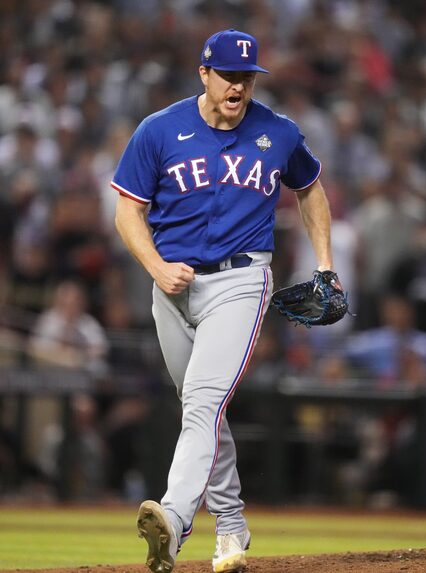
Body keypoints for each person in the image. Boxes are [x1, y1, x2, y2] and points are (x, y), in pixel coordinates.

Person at [112, 29, 335, 573]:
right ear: (204, 74)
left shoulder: (277, 133)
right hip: (172, 286)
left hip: (241, 281)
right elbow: (127, 211)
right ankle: (232, 527)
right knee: (201, 410)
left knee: (205, 402)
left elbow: (310, 189)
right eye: (229, 75)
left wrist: (326, 266)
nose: (239, 86)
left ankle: (174, 515)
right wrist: (156, 267)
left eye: (247, 76)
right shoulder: (159, 130)